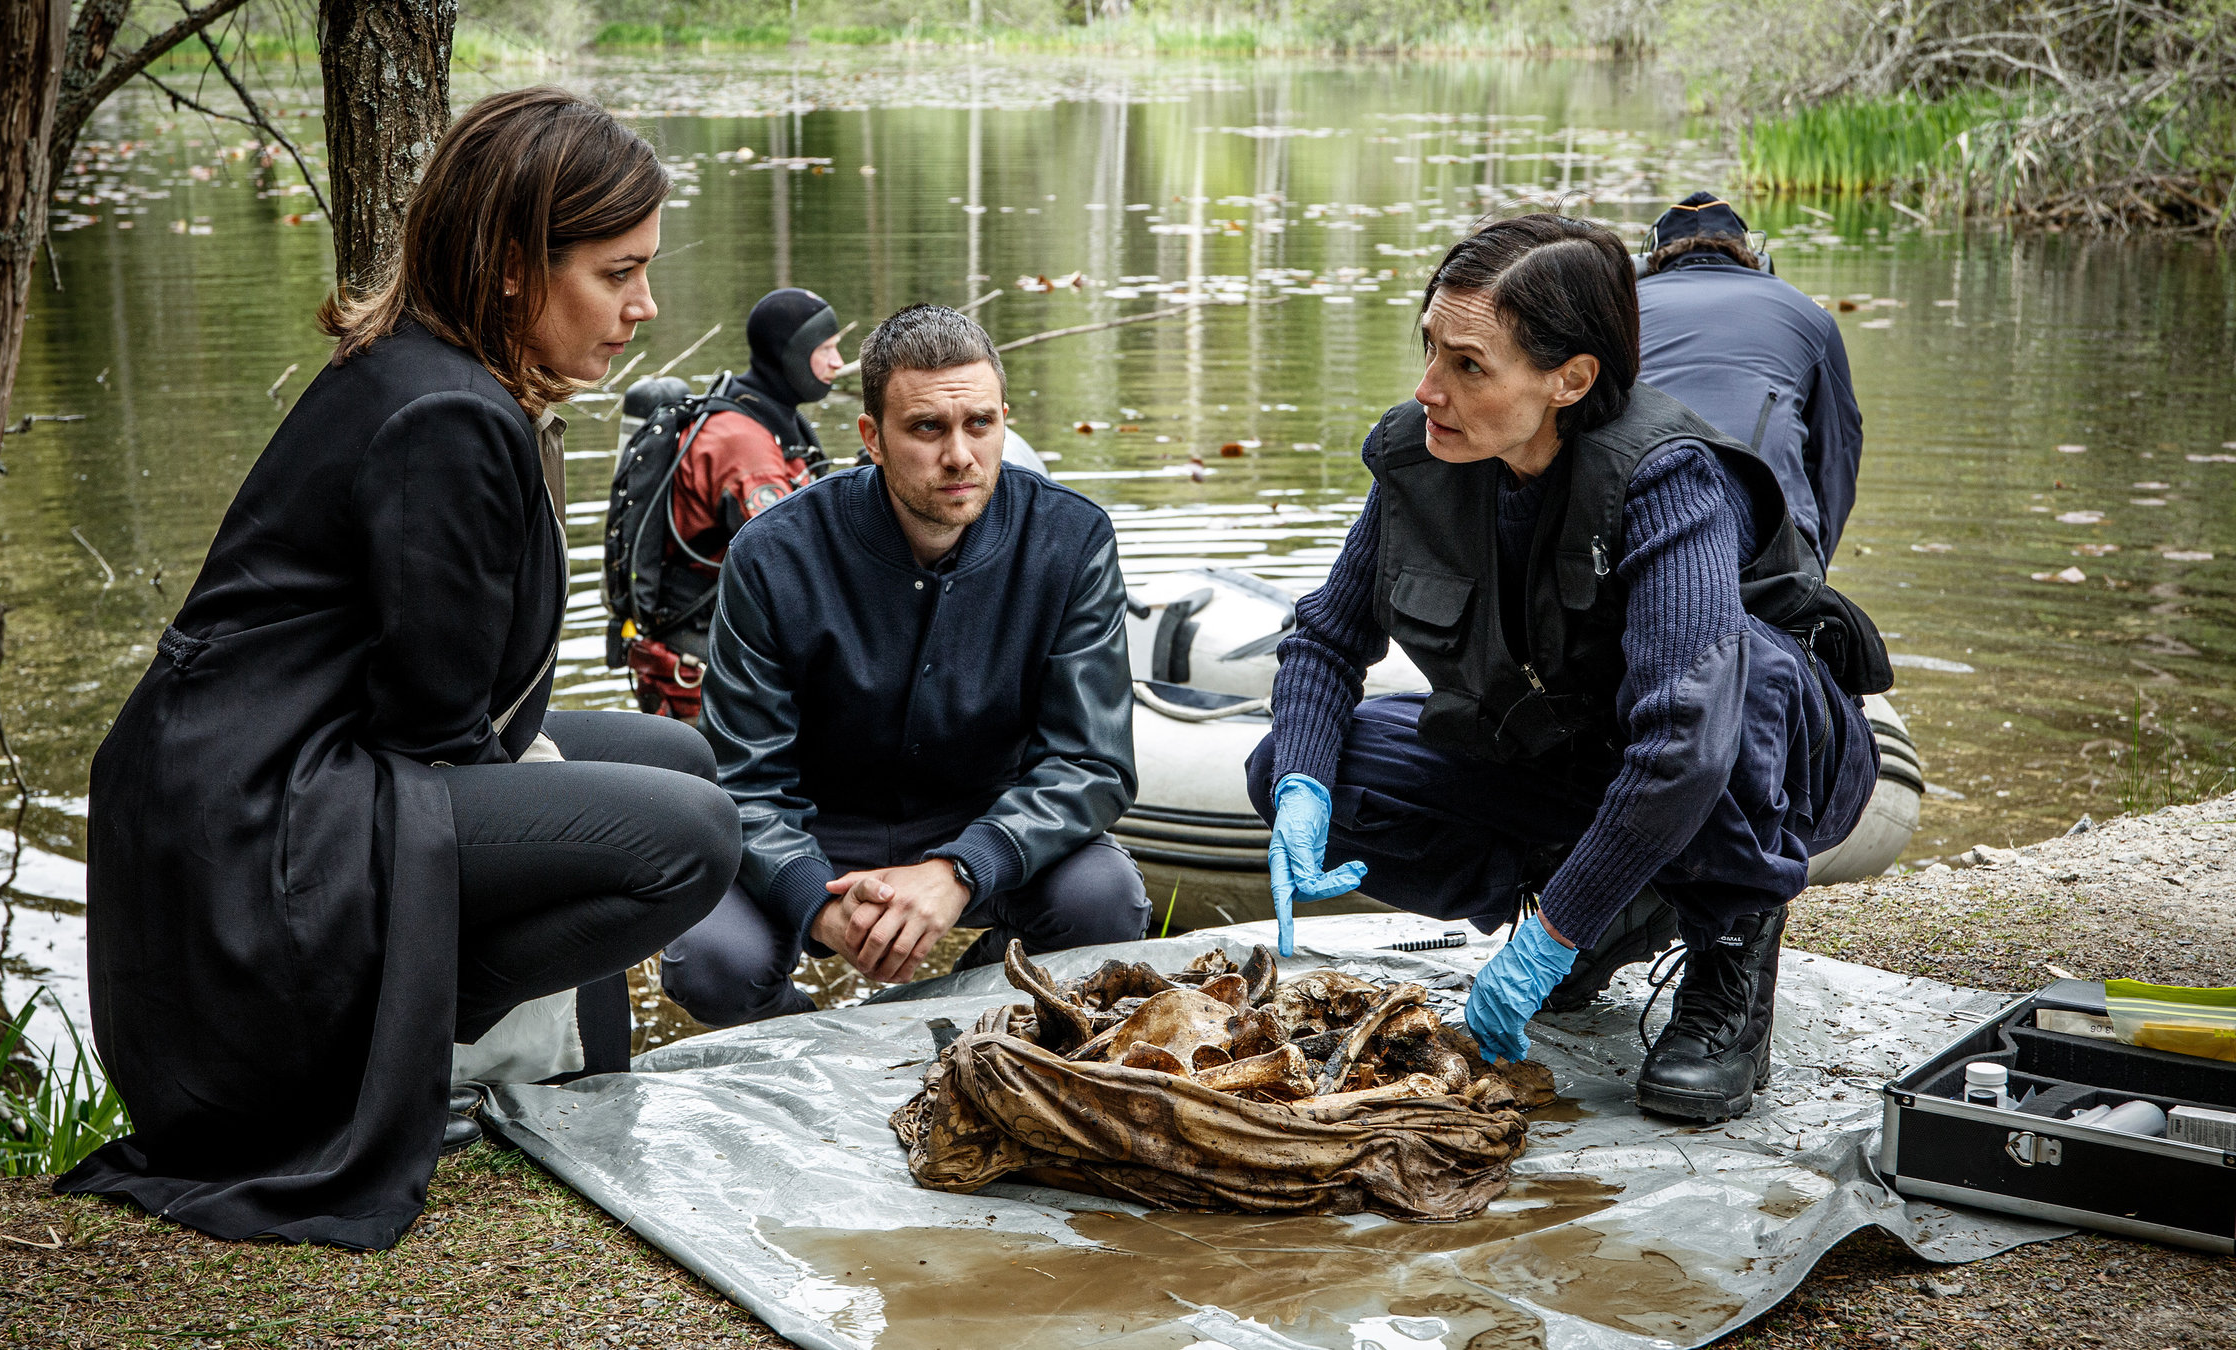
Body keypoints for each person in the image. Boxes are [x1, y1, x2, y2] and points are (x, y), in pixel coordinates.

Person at [61, 88, 742, 1249]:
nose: (645, 305)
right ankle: (382, 1052)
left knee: (678, 752)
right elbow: (435, 729)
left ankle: (409, 1026)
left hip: (257, 784)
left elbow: (447, 708)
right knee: (691, 838)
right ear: (519, 267)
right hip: (260, 827)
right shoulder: (447, 417)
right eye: (617, 273)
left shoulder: (426, 370)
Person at [1250, 214, 1878, 1124]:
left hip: (1762, 761)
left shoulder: (1671, 480)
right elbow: (1324, 641)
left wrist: (1547, 943)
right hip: (1565, 750)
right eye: (1429, 347)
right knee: (1295, 761)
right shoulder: (1416, 459)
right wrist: (1303, 783)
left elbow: (1682, 746)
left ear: (1570, 379)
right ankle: (1606, 906)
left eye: (1468, 365)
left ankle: (1727, 957)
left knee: (1727, 689)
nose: (1429, 388)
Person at [661, 303, 1151, 1027]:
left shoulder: (1072, 539)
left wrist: (961, 869)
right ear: (873, 438)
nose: (960, 455)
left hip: (985, 813)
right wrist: (818, 905)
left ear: (1004, 419)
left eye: (980, 423)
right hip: (820, 828)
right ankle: (808, 1047)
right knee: (710, 957)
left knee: (1105, 900)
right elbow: (745, 780)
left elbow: (1090, 763)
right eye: (928, 428)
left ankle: (973, 1016)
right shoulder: (771, 554)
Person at [630, 289, 842, 717]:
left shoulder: (764, 413)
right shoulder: (745, 446)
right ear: (792, 356)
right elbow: (792, 562)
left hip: (707, 652)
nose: (837, 362)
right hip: (697, 673)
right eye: (826, 350)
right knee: (705, 785)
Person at [1638, 192, 1863, 567]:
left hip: (1641, 523)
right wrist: (1813, 563)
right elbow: (1838, 454)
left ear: (1650, 260)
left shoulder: (1619, 307)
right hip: (1772, 537)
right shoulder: (1810, 315)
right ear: (1754, 257)